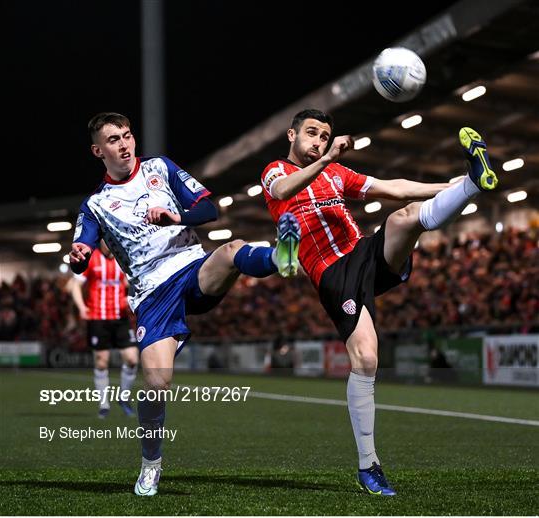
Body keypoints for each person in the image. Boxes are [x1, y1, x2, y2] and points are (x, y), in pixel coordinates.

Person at [260, 108, 498, 496]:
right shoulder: (276, 172)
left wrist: (453, 183)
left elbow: (397, 187)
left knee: (404, 217)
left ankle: (472, 184)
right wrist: (328, 158)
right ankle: (368, 465)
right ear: (291, 135)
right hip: (333, 274)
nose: (318, 141)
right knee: (367, 359)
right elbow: (283, 192)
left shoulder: (337, 174)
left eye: (324, 136)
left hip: (364, 253)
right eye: (311, 133)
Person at [69, 112, 300, 497]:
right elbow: (82, 249)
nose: (125, 144)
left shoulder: (160, 167)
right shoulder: (96, 204)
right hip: (151, 292)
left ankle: (282, 258)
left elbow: (209, 210)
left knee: (231, 250)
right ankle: (151, 466)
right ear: (98, 150)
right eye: (114, 140)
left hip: (191, 266)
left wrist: (176, 215)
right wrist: (78, 254)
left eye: (127, 135)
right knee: (156, 383)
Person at [68, 239, 138, 418]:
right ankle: (104, 405)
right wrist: (82, 307)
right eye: (105, 238)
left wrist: (129, 297)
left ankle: (124, 398)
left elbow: (132, 284)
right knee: (101, 362)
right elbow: (75, 285)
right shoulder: (91, 258)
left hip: (120, 317)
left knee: (131, 359)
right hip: (98, 318)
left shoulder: (122, 258)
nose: (108, 242)